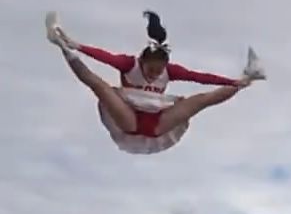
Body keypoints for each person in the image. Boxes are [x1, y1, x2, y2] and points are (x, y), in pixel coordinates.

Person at [44, 10, 263, 155]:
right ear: (142, 61)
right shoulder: (129, 64)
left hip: (159, 122)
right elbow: (104, 56)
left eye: (158, 72)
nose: (154, 75)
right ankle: (61, 45)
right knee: (99, 86)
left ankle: (247, 78)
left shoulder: (170, 71)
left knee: (202, 100)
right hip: (129, 117)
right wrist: (76, 46)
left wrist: (232, 81)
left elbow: (202, 78)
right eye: (151, 70)